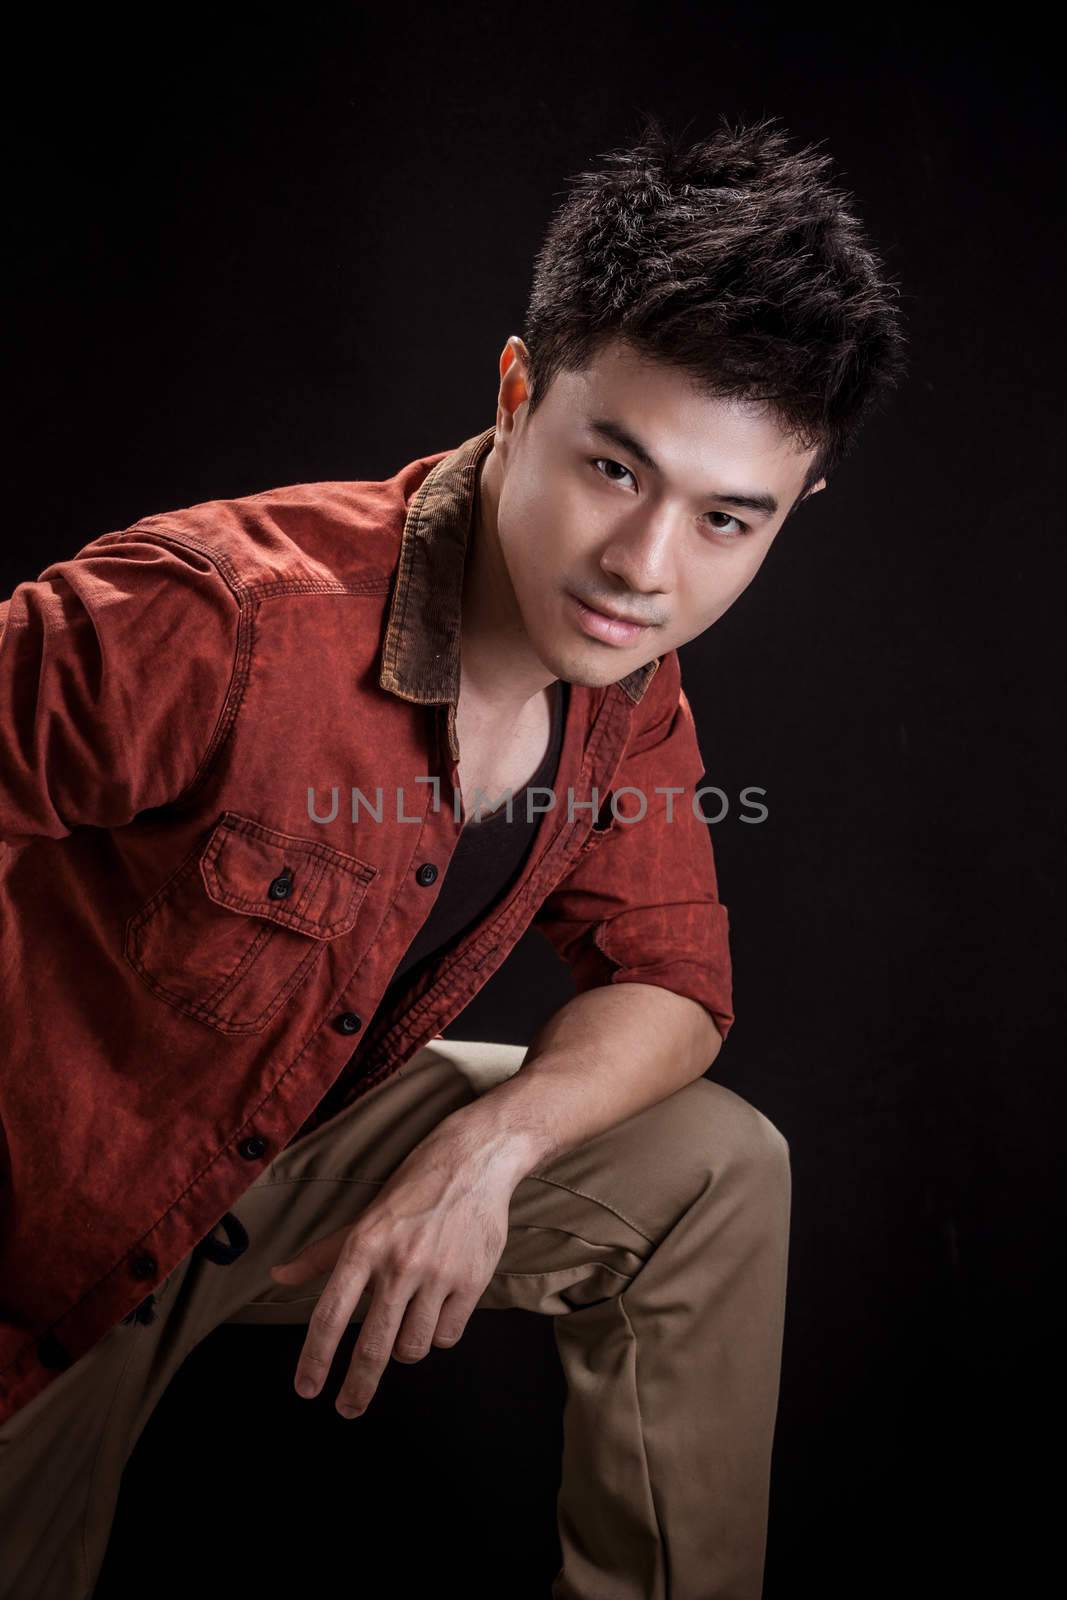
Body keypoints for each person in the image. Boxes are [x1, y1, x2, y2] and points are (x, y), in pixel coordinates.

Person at [0, 111, 906, 1598]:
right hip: (41, 1243)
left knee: (715, 1170)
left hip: (271, 1159)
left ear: (789, 513)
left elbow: (673, 982)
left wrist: (496, 1147)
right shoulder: (218, 618)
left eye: (726, 519)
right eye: (615, 470)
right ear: (516, 391)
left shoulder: (626, 684)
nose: (646, 569)